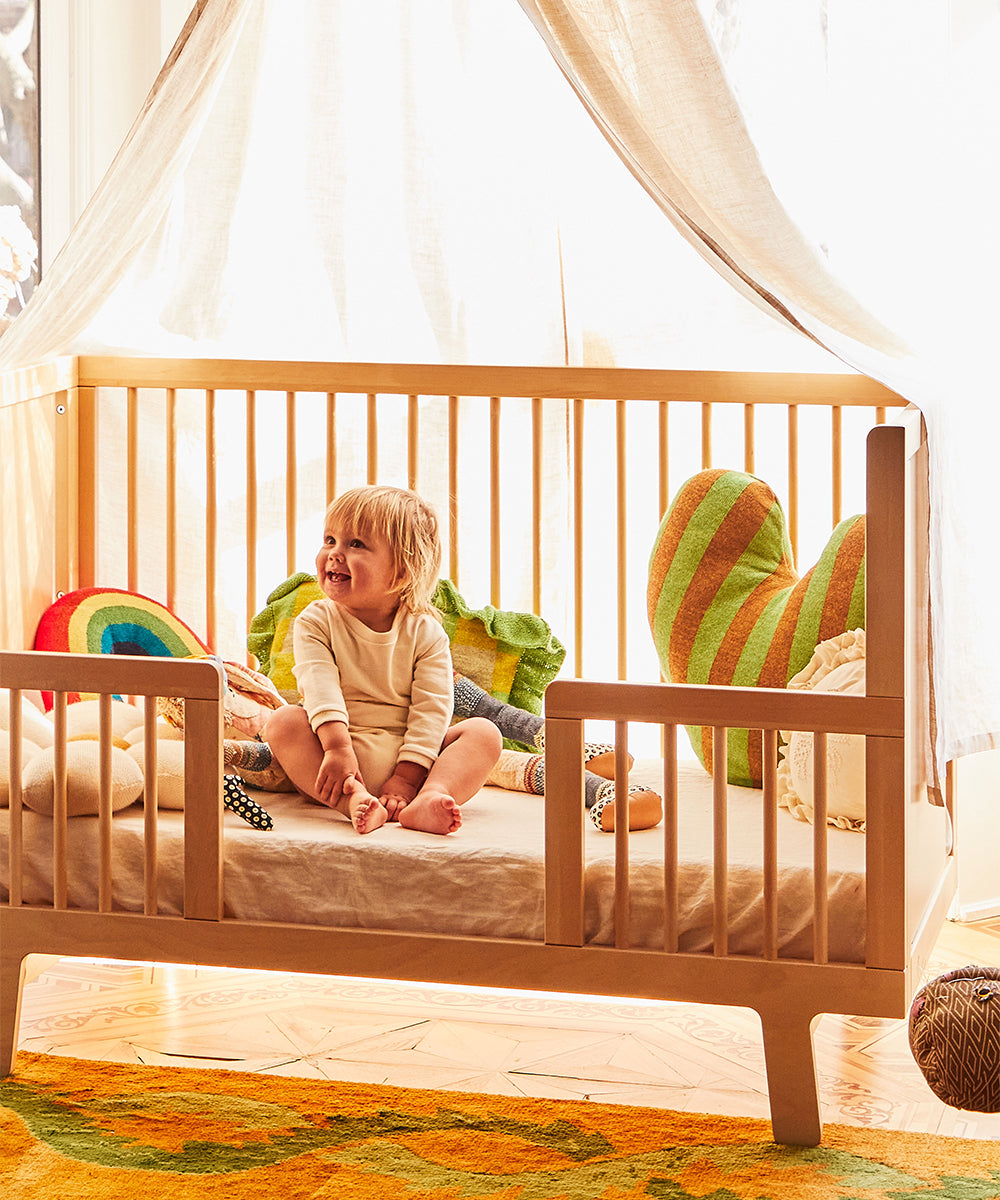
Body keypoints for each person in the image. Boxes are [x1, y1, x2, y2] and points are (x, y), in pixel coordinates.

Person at [262, 486, 501, 834]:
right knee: (284, 721)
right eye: (329, 539)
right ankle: (353, 802)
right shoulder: (315, 621)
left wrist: (408, 777)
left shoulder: (426, 632)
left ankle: (430, 797)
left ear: (402, 571)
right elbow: (319, 688)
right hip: (336, 760)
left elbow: (432, 709)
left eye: (355, 544)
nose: (334, 554)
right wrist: (337, 748)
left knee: (484, 733)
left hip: (413, 760)